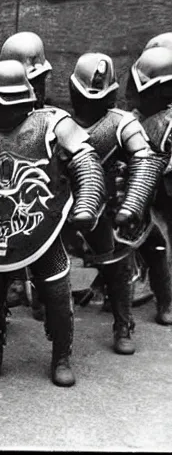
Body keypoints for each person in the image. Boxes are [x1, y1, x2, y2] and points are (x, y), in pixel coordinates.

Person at [0, 59, 105, 387]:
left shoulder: (53, 123)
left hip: (41, 228)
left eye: (14, 105)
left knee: (56, 290)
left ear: (29, 100)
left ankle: (61, 355)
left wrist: (86, 202)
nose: (6, 111)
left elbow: (86, 160)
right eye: (0, 104)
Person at [66, 52, 167, 354]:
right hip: (67, 210)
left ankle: (123, 325)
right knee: (53, 266)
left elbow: (145, 159)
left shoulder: (121, 123)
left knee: (118, 266)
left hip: (110, 210)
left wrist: (132, 202)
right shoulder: (62, 124)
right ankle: (52, 314)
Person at [0, 31, 55, 319]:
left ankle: (45, 294)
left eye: (38, 82)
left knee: (47, 249)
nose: (35, 89)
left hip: (43, 199)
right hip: (9, 198)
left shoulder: (53, 119)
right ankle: (15, 285)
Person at [125, 45, 172, 326]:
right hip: (148, 193)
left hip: (164, 190)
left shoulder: (166, 120)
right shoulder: (142, 118)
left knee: (160, 246)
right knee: (148, 244)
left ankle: (166, 301)